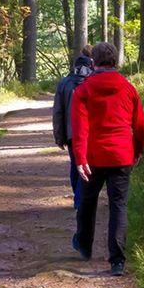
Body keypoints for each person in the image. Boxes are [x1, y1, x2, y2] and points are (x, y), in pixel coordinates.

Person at [69, 41, 144, 276]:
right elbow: (142, 127)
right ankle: (117, 262)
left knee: (87, 201)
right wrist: (136, 151)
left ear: (93, 62)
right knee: (118, 206)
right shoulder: (128, 88)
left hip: (93, 157)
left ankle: (84, 246)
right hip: (121, 156)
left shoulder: (83, 90)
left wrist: (80, 158)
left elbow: (80, 128)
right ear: (115, 61)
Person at [52, 50, 94, 209]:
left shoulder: (64, 83)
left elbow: (58, 112)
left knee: (75, 164)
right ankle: (84, 199)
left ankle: (79, 199)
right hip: (90, 132)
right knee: (88, 164)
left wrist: (59, 136)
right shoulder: (93, 81)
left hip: (71, 133)